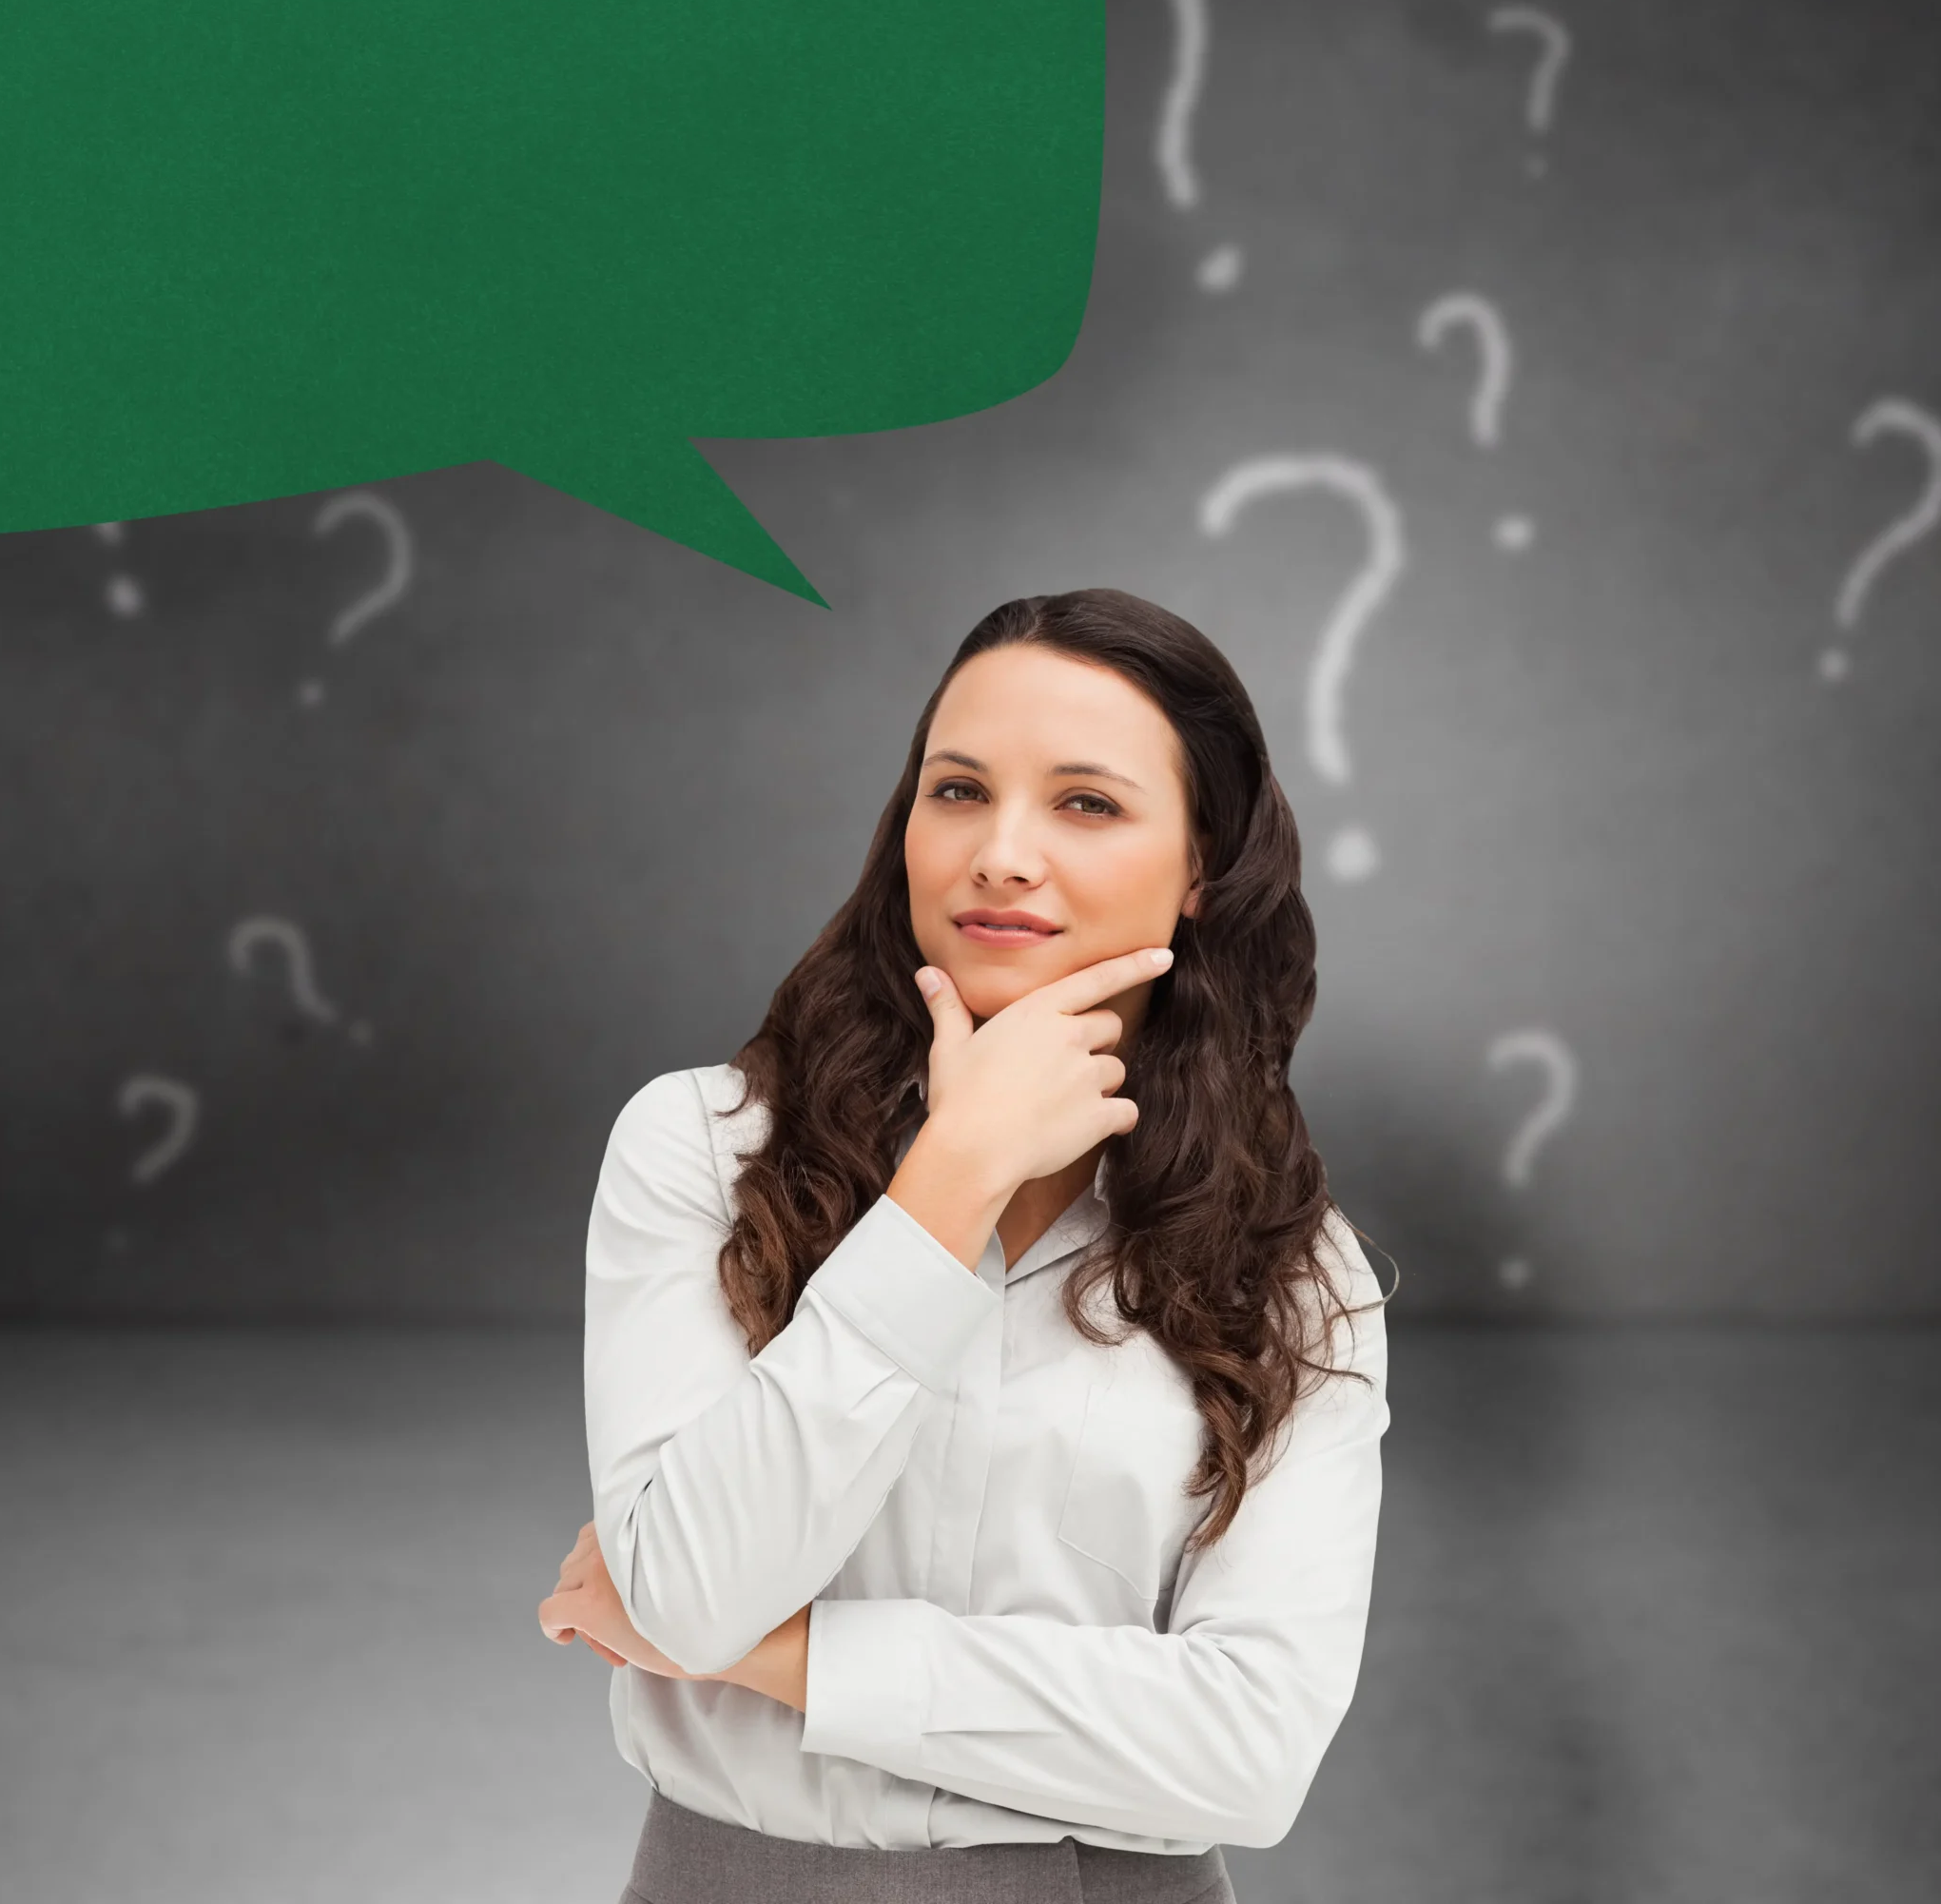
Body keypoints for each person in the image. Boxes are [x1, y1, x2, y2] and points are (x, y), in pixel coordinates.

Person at [539, 588, 1396, 1902]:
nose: (1000, 853)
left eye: (1087, 803)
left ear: (1201, 866)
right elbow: (689, 1594)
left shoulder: (1291, 1264)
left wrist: (780, 1658)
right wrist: (950, 1180)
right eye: (957, 791)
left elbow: (1248, 1751)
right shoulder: (702, 1153)